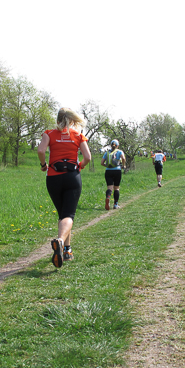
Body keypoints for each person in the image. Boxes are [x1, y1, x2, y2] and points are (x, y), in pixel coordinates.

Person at [37, 108, 91, 268]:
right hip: (72, 177)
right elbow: (87, 157)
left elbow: (41, 150)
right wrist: (80, 165)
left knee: (63, 214)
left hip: (53, 177)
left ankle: (67, 250)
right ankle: (61, 242)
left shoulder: (49, 134)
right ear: (72, 121)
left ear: (57, 120)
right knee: (68, 215)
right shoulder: (78, 135)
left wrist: (43, 164)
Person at [101, 139, 125, 209]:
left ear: (111, 145)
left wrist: (107, 166)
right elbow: (123, 158)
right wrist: (123, 165)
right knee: (116, 188)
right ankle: (115, 204)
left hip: (108, 171)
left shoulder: (107, 153)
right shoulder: (120, 151)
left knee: (109, 188)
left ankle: (108, 197)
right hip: (117, 171)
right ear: (117, 145)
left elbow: (102, 163)